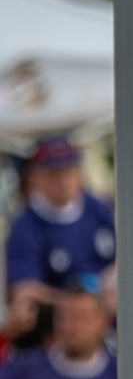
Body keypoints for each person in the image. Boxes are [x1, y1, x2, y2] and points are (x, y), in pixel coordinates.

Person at [5, 136, 115, 347]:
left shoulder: (98, 208)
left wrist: (108, 287)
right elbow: (25, 289)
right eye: (54, 174)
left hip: (108, 319)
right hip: (57, 331)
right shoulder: (25, 225)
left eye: (69, 171)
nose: (64, 181)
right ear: (36, 177)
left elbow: (123, 258)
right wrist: (80, 306)